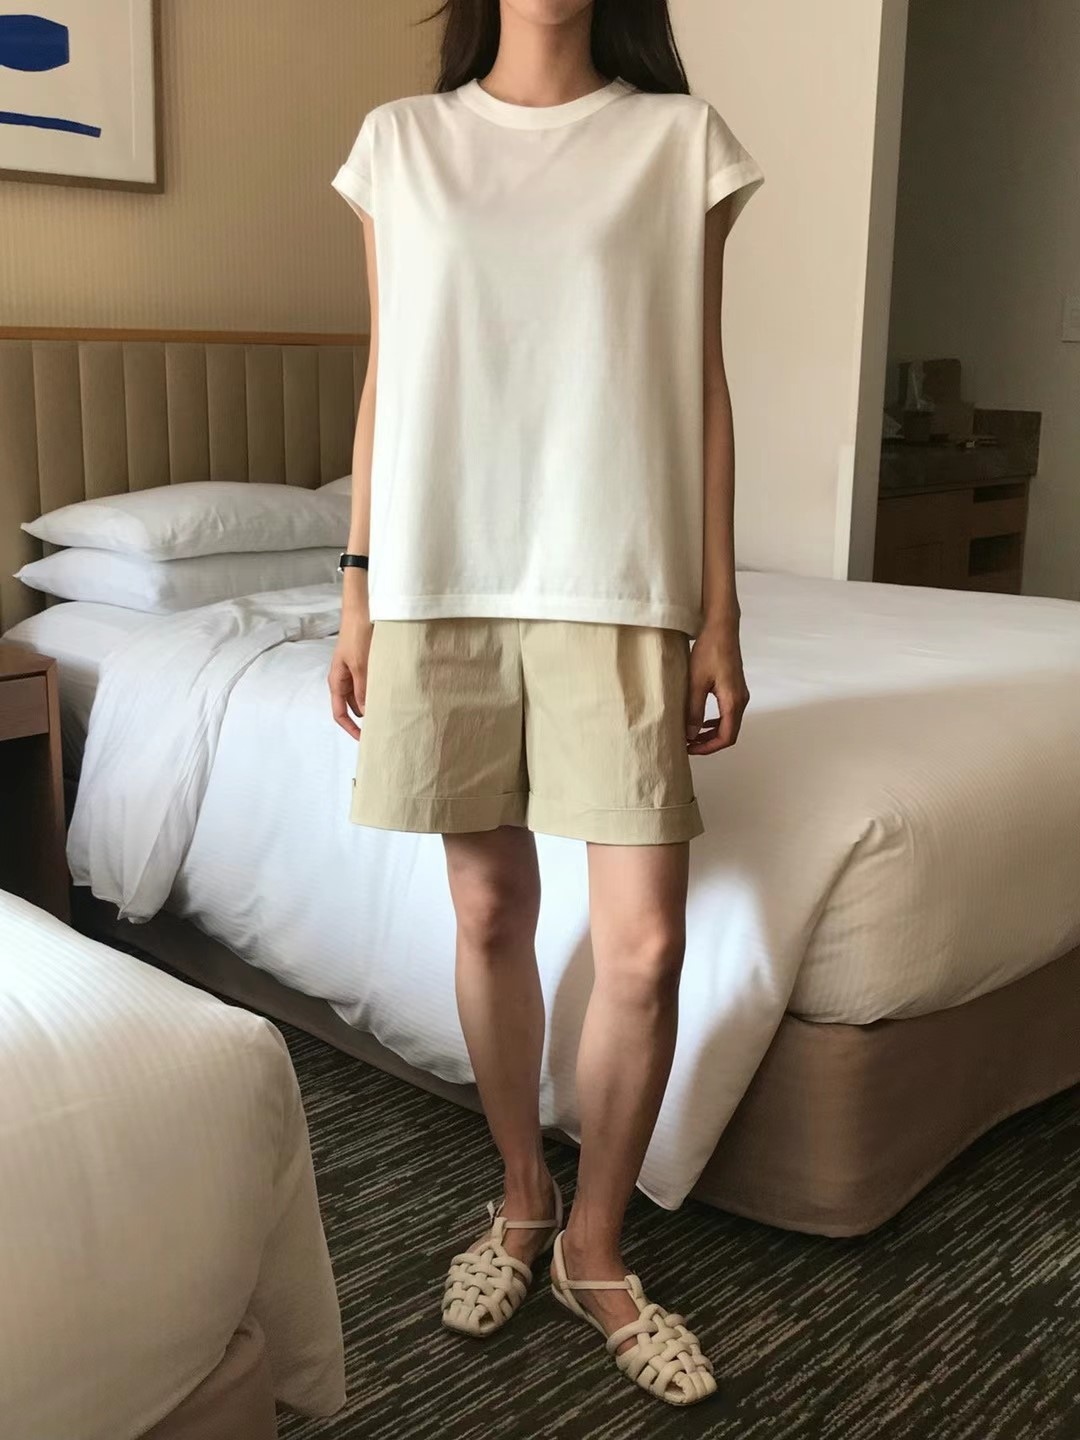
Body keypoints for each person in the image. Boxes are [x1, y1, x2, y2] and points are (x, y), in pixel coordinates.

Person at [328, 0, 763, 1408]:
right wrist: (356, 590)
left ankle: (594, 1249)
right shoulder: (401, 143)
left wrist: (718, 609)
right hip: (438, 578)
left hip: (620, 580)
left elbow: (700, 380)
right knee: (489, 910)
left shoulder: (679, 142)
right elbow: (390, 372)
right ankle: (521, 1196)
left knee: (645, 946)